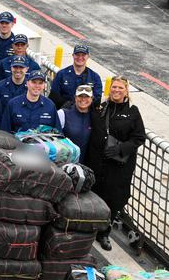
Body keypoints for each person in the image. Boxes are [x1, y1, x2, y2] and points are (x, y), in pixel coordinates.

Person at [87, 76, 146, 251]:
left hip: (119, 166)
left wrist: (121, 149)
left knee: (115, 198)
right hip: (98, 162)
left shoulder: (133, 112)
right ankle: (90, 229)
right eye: (114, 87)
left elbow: (139, 137)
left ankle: (104, 233)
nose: (116, 91)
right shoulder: (101, 107)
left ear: (126, 91)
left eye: (120, 88)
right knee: (95, 194)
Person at [58, 84, 94, 161]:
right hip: (65, 163)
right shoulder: (63, 114)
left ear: (92, 99)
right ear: (75, 98)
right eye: (80, 96)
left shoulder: (94, 116)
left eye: (87, 96)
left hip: (85, 164)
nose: (83, 99)